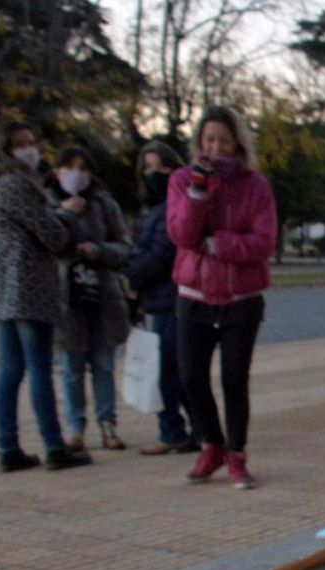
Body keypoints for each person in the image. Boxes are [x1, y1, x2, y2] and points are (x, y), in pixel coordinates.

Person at [0, 120, 92, 472]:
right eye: (21, 144)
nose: (30, 150)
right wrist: (67, 215)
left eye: (32, 141)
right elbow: (51, 235)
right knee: (36, 368)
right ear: (5, 152)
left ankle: (8, 445)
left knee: (11, 369)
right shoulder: (14, 185)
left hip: (4, 289)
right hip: (25, 286)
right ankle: (54, 445)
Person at [166, 105, 278, 489]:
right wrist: (198, 192)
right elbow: (182, 236)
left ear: (237, 145)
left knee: (234, 379)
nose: (216, 148)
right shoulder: (182, 180)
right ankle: (211, 444)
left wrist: (219, 244)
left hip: (241, 297)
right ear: (199, 142)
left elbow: (263, 240)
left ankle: (237, 454)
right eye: (210, 140)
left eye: (224, 142)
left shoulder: (255, 185)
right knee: (192, 377)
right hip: (194, 294)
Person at [48, 146, 132, 452]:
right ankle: (75, 428)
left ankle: (108, 424)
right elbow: (46, 243)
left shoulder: (104, 204)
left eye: (83, 167)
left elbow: (124, 248)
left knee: (103, 364)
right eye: (69, 166)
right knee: (70, 367)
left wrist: (100, 251)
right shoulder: (47, 201)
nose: (76, 173)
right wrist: (65, 213)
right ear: (56, 171)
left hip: (102, 296)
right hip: (65, 300)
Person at [127, 141, 199, 455]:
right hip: (158, 297)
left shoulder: (173, 208)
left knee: (170, 370)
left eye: (161, 166)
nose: (154, 173)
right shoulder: (154, 210)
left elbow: (161, 255)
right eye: (149, 167)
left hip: (171, 297)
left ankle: (177, 431)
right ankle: (193, 429)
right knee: (174, 370)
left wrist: (130, 275)